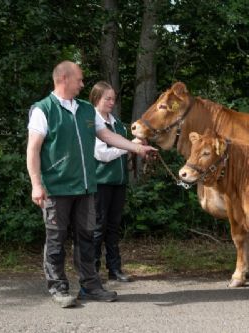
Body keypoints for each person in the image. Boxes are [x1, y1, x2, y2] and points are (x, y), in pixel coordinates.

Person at [26, 61, 156, 308]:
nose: (83, 84)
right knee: (56, 239)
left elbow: (107, 136)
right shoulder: (43, 110)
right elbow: (33, 150)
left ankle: (90, 286)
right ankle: (59, 288)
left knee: (87, 238)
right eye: (79, 79)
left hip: (86, 188)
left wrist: (137, 148)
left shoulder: (86, 109)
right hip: (57, 188)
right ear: (64, 79)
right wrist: (36, 184)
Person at [89, 81, 131, 282]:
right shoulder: (92, 123)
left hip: (118, 182)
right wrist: (131, 147)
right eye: (108, 98)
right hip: (101, 182)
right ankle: (93, 271)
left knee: (114, 227)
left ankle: (114, 269)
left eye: (114, 99)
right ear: (97, 99)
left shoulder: (118, 124)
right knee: (98, 227)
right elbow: (102, 154)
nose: (112, 102)